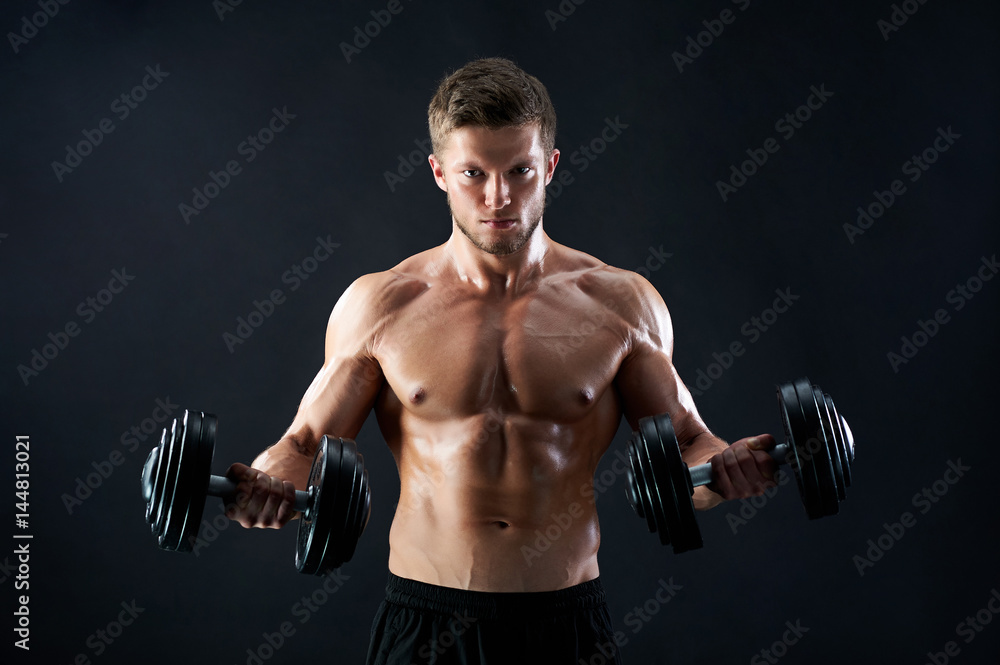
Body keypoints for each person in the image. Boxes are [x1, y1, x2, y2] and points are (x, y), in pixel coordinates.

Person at [225, 57, 778, 664]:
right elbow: (304, 444)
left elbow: (686, 448)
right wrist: (267, 485)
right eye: (473, 173)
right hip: (425, 620)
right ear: (438, 172)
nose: (498, 196)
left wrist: (726, 472)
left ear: (551, 167)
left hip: (563, 622)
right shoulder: (382, 304)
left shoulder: (621, 304)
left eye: (520, 170)